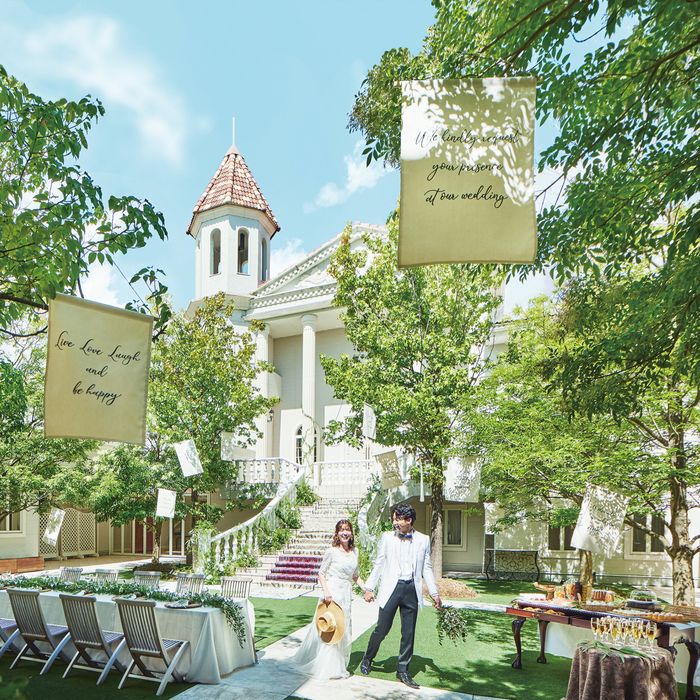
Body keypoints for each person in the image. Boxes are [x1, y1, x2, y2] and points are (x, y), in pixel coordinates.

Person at [360, 502, 442, 689]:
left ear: (409, 520)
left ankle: (403, 670)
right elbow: (379, 563)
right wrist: (369, 588)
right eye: (394, 519)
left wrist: (434, 593)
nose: (395, 522)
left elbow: (426, 568)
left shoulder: (423, 540)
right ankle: (368, 658)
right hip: (391, 588)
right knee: (382, 629)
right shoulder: (387, 537)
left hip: (411, 589)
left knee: (408, 632)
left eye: (398, 519)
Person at [293, 519, 365, 680]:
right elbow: (321, 573)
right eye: (342, 530)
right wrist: (326, 592)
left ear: (351, 533)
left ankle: (338, 665)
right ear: (337, 534)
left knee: (342, 629)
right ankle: (327, 668)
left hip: (346, 594)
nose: (345, 532)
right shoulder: (331, 551)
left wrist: (366, 589)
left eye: (347, 529)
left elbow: (355, 576)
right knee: (330, 629)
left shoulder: (355, 551)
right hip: (332, 593)